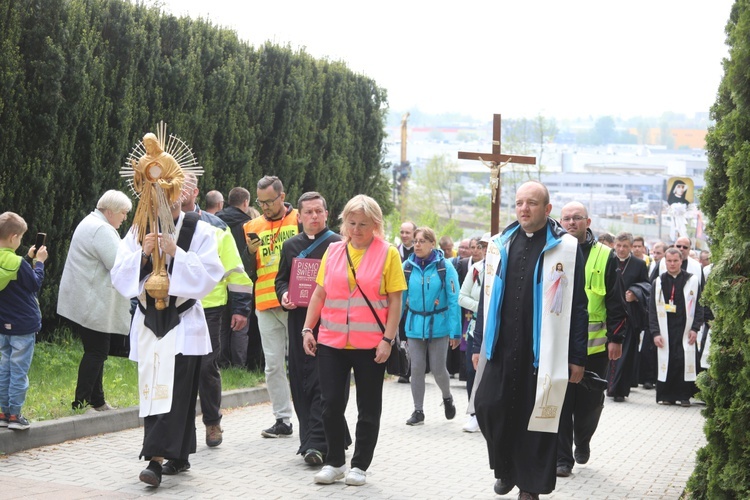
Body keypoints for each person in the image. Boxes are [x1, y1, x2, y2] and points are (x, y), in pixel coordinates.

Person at [470, 181, 588, 499]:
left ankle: (529, 486)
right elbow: (487, 297)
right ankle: (505, 468)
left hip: (543, 351)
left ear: (547, 209)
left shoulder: (565, 247)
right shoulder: (500, 243)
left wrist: (577, 356)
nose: (524, 208)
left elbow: (578, 305)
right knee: (487, 406)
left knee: (535, 420)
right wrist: (479, 342)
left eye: (532, 203)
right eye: (520, 202)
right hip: (502, 346)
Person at [111, 186, 224, 487]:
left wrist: (177, 252)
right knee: (156, 387)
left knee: (177, 391)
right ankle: (180, 453)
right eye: (158, 192)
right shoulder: (138, 229)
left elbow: (209, 276)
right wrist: (144, 253)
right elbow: (119, 275)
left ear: (181, 194)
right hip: (149, 320)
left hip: (184, 321)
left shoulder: (199, 230)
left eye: (171, 192)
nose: (165, 198)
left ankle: (155, 460)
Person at [302, 194, 406, 487]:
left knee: (368, 407)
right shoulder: (333, 251)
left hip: (371, 344)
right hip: (331, 342)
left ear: (376, 224)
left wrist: (388, 338)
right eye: (351, 223)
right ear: (343, 222)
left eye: (363, 224)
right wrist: (308, 329)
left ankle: (359, 465)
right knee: (330, 404)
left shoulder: (388, 254)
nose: (357, 229)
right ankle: (335, 461)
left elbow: (396, 301)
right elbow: (320, 293)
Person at [275, 191, 349, 466]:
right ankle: (322, 437)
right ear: (300, 216)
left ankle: (316, 444)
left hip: (329, 323)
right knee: (301, 381)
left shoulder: (338, 245)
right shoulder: (291, 246)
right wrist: (283, 295)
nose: (314, 216)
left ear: (327, 214)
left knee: (324, 382)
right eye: (308, 212)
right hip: (298, 322)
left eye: (319, 211)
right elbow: (281, 280)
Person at [181, 173, 253, 451]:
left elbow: (235, 270)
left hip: (208, 308)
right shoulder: (162, 222)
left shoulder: (216, 225)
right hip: (170, 309)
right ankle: (181, 431)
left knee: (207, 367)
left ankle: (212, 421)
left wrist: (241, 309)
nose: (177, 189)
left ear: (196, 191)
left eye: (184, 184)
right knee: (179, 370)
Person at [556, 202, 616, 477]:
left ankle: (583, 439)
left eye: (577, 218)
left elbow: (616, 303)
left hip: (595, 346)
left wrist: (617, 338)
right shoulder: (553, 250)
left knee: (589, 403)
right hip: (559, 344)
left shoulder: (606, 255)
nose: (571, 223)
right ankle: (562, 458)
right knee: (560, 402)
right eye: (566, 218)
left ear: (587, 221)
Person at [57, 190, 133, 412]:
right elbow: (117, 264)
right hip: (92, 302)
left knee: (97, 350)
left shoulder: (92, 222)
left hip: (88, 299)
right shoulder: (101, 229)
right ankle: (81, 402)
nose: (125, 218)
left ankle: (97, 401)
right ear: (110, 211)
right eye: (123, 213)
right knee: (97, 351)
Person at [243, 175, 298, 437]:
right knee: (273, 365)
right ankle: (283, 419)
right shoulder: (252, 226)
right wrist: (249, 253)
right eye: (260, 202)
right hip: (265, 302)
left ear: (282, 197)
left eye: (270, 202)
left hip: (295, 303)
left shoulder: (298, 219)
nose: (265, 207)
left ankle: (310, 414)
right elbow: (250, 268)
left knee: (300, 363)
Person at [402, 227, 461, 426]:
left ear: (432, 244)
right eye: (415, 241)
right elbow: (400, 300)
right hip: (415, 324)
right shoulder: (407, 267)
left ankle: (447, 397)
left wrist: (455, 331)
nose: (416, 245)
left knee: (438, 369)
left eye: (421, 241)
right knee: (416, 367)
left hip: (439, 324)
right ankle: (418, 411)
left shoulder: (445, 267)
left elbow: (454, 300)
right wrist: (390, 331)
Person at [0, 212, 47, 431]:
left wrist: (28, 259)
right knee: (18, 370)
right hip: (24, 327)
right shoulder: (18, 263)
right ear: (13, 237)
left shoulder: (10, 261)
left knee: (4, 368)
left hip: (3, 325)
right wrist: (39, 263)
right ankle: (15, 415)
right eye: (19, 238)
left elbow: (12, 279)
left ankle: (2, 412)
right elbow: (33, 283)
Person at [649, 248, 703, 406]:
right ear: (665, 262)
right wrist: (655, 333)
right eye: (669, 261)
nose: (672, 264)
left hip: (684, 327)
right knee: (668, 360)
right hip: (665, 328)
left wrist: (695, 328)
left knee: (683, 360)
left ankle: (684, 396)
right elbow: (652, 310)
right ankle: (666, 396)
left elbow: (699, 307)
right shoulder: (658, 282)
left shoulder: (692, 280)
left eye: (675, 261)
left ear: (681, 261)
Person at [605, 232, 650, 403]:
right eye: (619, 245)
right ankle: (607, 385)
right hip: (609, 315)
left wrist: (635, 294)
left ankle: (619, 391)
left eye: (625, 246)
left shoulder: (639, 264)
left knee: (625, 355)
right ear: (614, 245)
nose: (621, 249)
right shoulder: (609, 259)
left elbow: (646, 285)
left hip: (629, 316)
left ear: (631, 247)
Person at [216, 187, 257, 369]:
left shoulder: (215, 221)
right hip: (242, 278)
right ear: (246, 203)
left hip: (219, 277)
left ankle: (221, 361)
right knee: (241, 321)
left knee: (222, 323)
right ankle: (239, 365)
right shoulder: (249, 225)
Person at [458, 232, 489, 433]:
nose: (486, 249)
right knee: (472, 370)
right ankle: (474, 413)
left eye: (488, 245)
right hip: (475, 328)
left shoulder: (506, 269)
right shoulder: (476, 270)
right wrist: (481, 307)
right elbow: (462, 297)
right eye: (483, 246)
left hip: (497, 329)